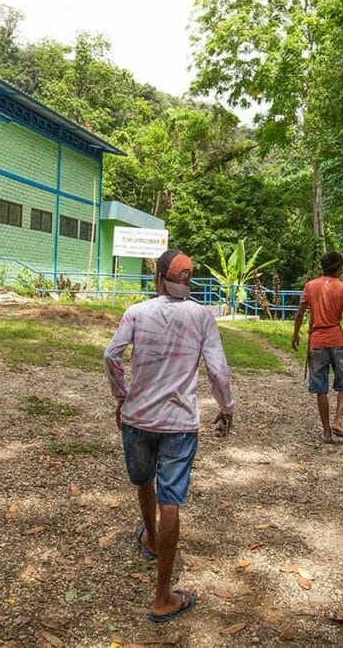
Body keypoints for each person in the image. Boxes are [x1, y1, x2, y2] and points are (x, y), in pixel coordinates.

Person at [103, 249, 235, 622]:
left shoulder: (136, 312)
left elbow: (111, 355)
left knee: (143, 480)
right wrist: (226, 408)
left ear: (159, 278)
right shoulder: (201, 316)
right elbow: (218, 371)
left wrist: (121, 397)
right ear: (187, 280)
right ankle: (162, 595)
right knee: (171, 500)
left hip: (138, 419)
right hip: (178, 424)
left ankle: (149, 536)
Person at [291, 251, 343, 443]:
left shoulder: (310, 286)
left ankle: (327, 432)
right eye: (342, 267)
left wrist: (295, 334)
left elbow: (299, 313)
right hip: (338, 341)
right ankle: (338, 420)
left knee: (321, 388)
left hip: (317, 343)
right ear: (337, 268)